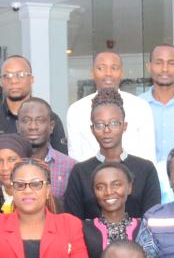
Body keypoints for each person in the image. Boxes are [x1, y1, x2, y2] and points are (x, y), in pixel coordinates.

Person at [63, 90, 162, 219]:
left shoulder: (146, 169)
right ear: (92, 129)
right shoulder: (80, 172)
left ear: (124, 126)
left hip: (138, 239)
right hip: (92, 239)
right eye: (99, 125)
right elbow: (73, 221)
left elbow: (152, 218)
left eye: (114, 123)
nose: (107, 130)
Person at [80, 162, 160, 258]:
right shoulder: (82, 229)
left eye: (116, 184)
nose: (109, 192)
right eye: (100, 187)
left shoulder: (144, 228)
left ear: (129, 187)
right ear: (94, 192)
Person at [65, 51, 156, 162]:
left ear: (121, 73)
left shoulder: (140, 107)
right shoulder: (76, 110)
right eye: (101, 68)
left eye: (114, 68)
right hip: (90, 176)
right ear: (92, 73)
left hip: (133, 176)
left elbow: (148, 155)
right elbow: (75, 156)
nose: (108, 73)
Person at [0, 55, 70, 154]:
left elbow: (61, 160)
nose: (14, 81)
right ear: (0, 82)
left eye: (21, 75)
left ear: (31, 79)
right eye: (7, 76)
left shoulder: (49, 118)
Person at [16, 97, 75, 202]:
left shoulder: (70, 167)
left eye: (40, 120)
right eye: (26, 120)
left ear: (51, 126)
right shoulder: (8, 165)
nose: (33, 126)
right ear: (18, 126)